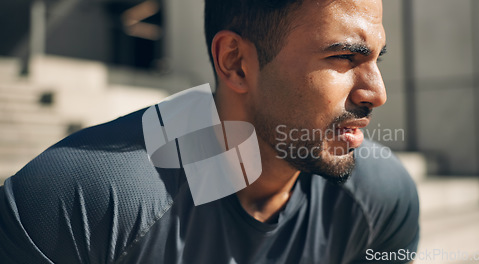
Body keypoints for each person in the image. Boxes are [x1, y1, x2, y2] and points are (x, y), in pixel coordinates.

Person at [0, 0, 419, 263]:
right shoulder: (79, 200)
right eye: (345, 56)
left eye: (377, 59)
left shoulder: (380, 196)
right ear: (236, 62)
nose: (377, 93)